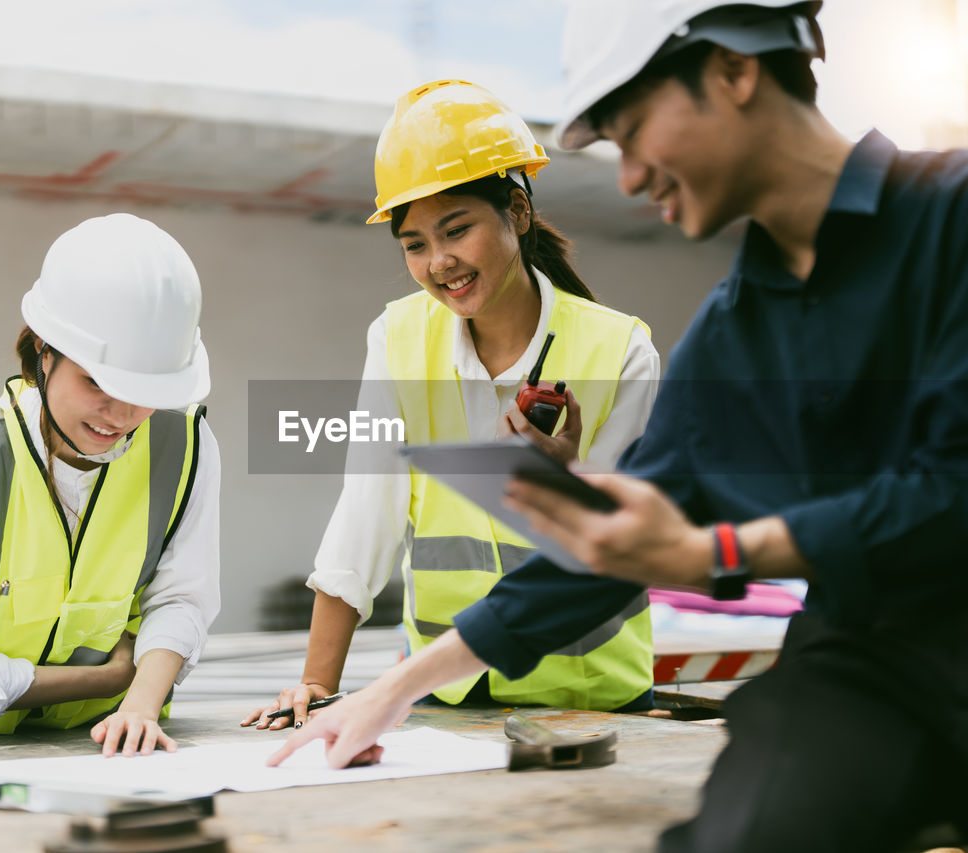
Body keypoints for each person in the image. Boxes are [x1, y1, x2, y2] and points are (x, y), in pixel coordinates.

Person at [269, 3, 968, 851]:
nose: (626, 178)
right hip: (861, 654)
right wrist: (395, 688)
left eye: (632, 128)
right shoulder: (739, 326)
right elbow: (616, 533)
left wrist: (716, 555)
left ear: (734, 68)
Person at [242, 79, 661, 731]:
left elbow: (625, 542)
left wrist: (567, 478)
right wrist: (315, 686)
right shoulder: (398, 339)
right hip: (447, 695)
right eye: (414, 243)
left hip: (592, 697)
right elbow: (365, 512)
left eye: (457, 228)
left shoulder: (621, 350)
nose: (440, 261)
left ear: (517, 213)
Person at [0, 213, 222, 758]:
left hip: (116, 746)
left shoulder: (185, 446)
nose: (120, 414)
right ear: (43, 353)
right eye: (97, 381)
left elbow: (182, 598)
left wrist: (139, 706)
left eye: (144, 390)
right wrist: (111, 679)